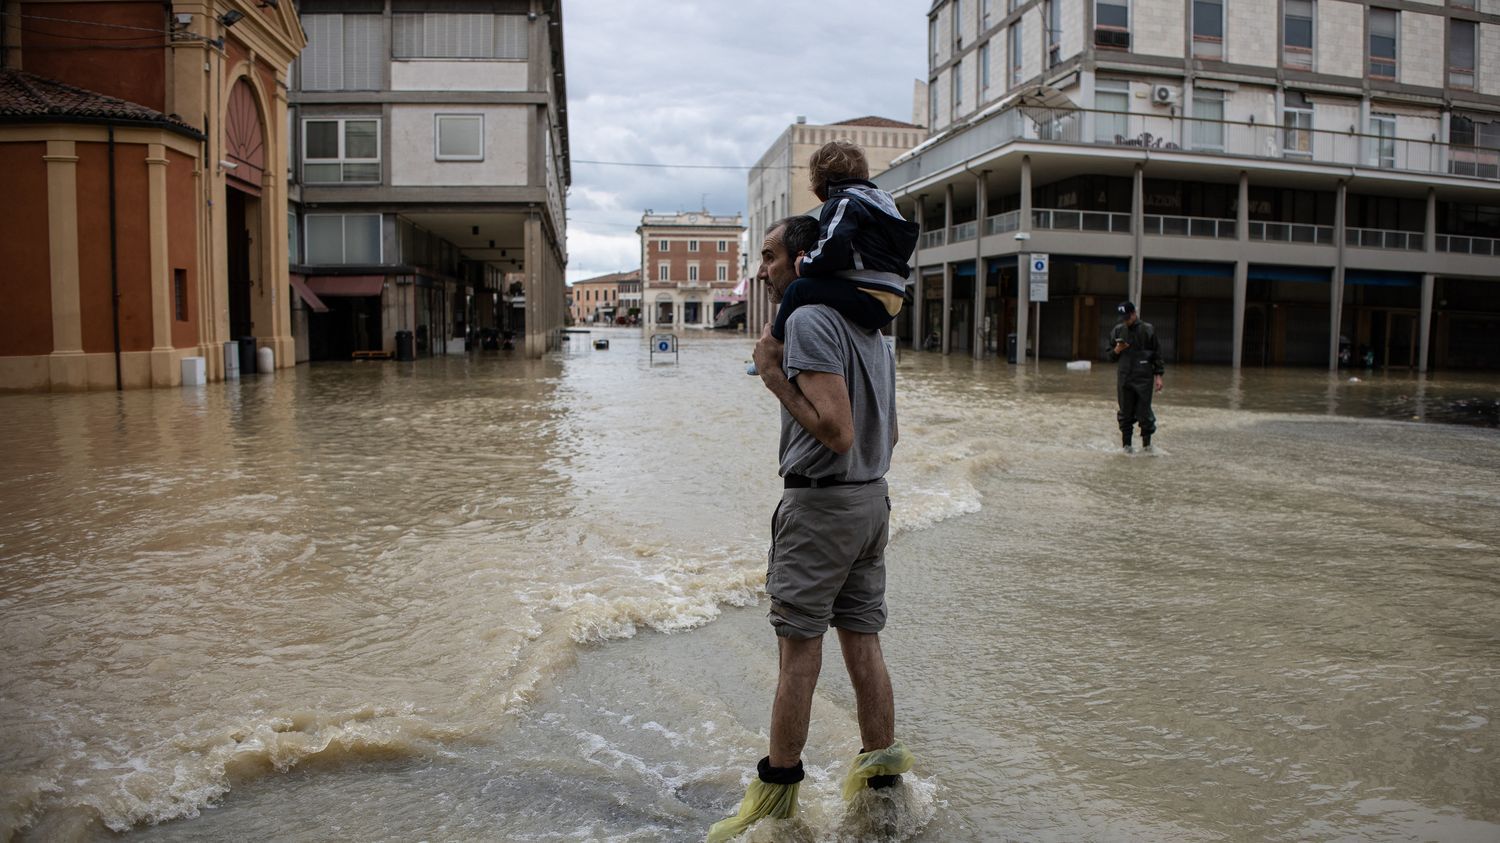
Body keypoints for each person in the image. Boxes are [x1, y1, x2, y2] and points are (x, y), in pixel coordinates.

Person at [708, 216, 912, 842]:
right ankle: (881, 787)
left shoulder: (808, 320)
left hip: (822, 509)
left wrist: (772, 375)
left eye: (769, 257)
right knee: (864, 643)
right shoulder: (871, 323)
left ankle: (775, 805)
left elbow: (835, 430)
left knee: (799, 658)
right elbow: (884, 431)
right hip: (871, 500)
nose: (763, 270)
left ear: (803, 256)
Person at [767, 141, 920, 343]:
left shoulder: (843, 202)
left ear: (822, 182)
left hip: (868, 295)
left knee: (798, 289)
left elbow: (832, 246)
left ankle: (774, 344)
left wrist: (805, 263)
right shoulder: (883, 203)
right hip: (894, 299)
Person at [1106, 300, 1164, 451]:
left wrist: (1158, 376)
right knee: (1125, 414)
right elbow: (1109, 356)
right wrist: (1118, 349)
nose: (1125, 321)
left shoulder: (1148, 330)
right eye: (1122, 318)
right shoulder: (1118, 330)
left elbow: (1157, 354)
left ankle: (1147, 447)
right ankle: (1127, 447)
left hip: (1144, 377)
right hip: (1125, 377)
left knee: (1144, 414)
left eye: (1127, 317)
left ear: (1134, 314)